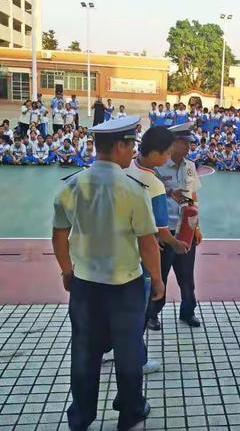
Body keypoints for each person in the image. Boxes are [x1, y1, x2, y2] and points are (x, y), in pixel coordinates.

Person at [52, 115, 164, 431]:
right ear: (118, 146)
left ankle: (81, 416)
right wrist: (157, 279)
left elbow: (59, 235)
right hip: (124, 286)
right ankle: (130, 414)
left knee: (84, 353)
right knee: (128, 354)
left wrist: (66, 271)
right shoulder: (133, 189)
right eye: (131, 145)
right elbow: (148, 243)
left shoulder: (71, 186)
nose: (132, 153)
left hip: (85, 286)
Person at [147, 122, 203, 330]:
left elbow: (193, 196)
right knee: (159, 274)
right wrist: (153, 233)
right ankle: (152, 313)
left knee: (186, 274)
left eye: (189, 143)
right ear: (173, 143)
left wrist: (196, 226)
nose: (188, 147)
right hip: (164, 229)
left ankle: (188, 311)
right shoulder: (158, 166)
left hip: (185, 228)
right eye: (184, 142)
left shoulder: (189, 166)